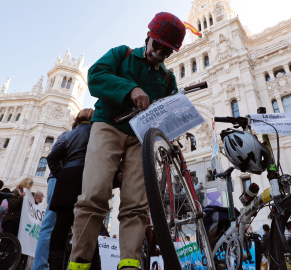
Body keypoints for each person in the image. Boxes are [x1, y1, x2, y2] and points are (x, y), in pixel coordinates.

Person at [68, 12, 186, 270]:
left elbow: (169, 114)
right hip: (108, 126)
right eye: (157, 46)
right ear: (148, 37)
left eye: (167, 51)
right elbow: (96, 76)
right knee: (95, 194)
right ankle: (79, 263)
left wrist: (173, 132)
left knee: (136, 204)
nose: (159, 54)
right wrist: (130, 90)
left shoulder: (168, 80)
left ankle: (130, 263)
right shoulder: (121, 53)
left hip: (140, 140)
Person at [47, 108, 95, 270]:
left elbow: (52, 157)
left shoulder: (67, 134)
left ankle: (55, 265)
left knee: (61, 224)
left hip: (67, 176)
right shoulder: (96, 131)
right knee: (89, 223)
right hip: (86, 175)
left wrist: (61, 175)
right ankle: (91, 265)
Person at [33, 130, 70, 270]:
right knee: (50, 223)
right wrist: (61, 175)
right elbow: (52, 157)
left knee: (57, 226)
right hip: (59, 180)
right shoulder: (68, 135)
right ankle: (40, 267)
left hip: (63, 180)